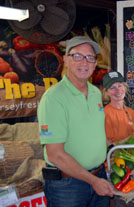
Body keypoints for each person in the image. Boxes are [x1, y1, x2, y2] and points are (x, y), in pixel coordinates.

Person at [38, 36, 115, 207]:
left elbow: (88, 130)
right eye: (77, 56)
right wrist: (93, 181)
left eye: (90, 58)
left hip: (98, 174)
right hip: (67, 186)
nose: (85, 62)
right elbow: (54, 154)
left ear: (95, 64)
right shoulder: (53, 98)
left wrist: (104, 144)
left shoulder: (96, 93)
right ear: (65, 60)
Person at [102, 70, 134, 144]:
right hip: (116, 155)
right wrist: (131, 137)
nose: (118, 90)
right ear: (107, 92)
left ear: (124, 87)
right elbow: (108, 145)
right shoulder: (105, 113)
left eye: (120, 85)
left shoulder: (131, 112)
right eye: (112, 88)